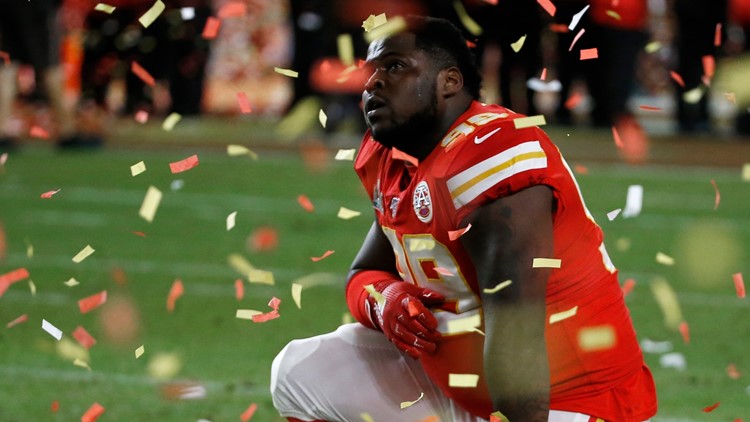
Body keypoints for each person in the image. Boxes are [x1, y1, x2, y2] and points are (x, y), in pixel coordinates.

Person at [270, 16, 657, 422]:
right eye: (372, 71)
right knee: (301, 370)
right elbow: (363, 273)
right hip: (463, 386)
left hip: (566, 403)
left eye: (396, 67)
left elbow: (516, 328)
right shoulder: (395, 154)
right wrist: (387, 302)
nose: (372, 83)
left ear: (449, 82)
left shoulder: (492, 153)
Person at [0, 0, 99, 149]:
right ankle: (67, 130)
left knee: (7, 64)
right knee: (50, 65)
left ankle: (1, 130)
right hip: (36, 5)